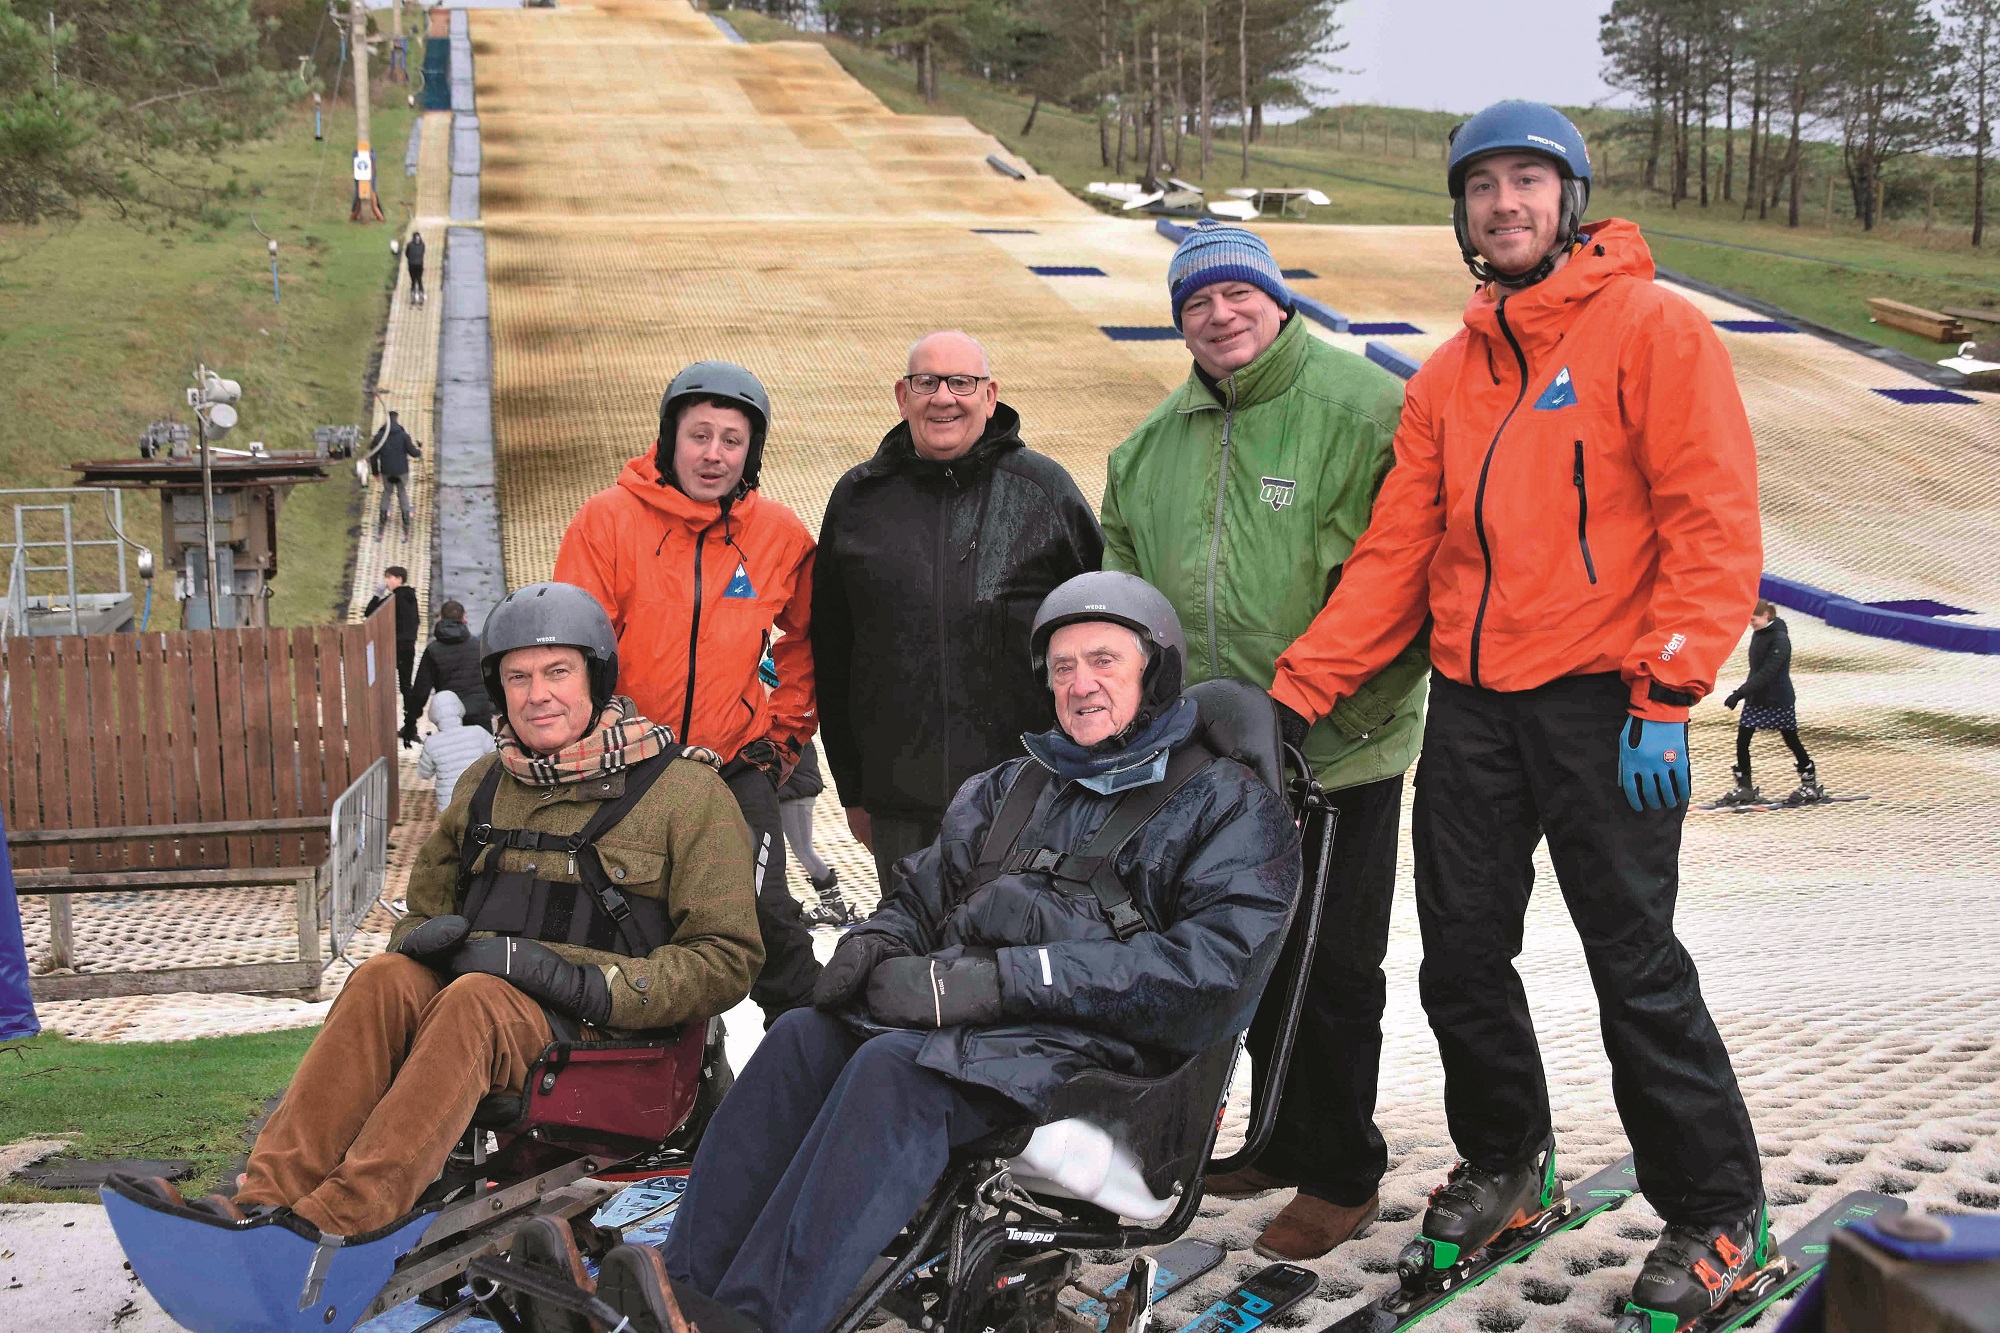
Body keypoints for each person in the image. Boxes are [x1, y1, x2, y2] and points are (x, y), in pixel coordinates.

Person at [1265, 102, 1766, 1333]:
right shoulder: (1450, 373)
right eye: (1480, 184)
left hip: (1608, 706)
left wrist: (1669, 688)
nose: (1502, 202)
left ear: (1569, 198)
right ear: (1460, 214)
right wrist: (1294, 691)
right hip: (1479, 708)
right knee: (1458, 957)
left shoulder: (1652, 331)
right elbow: (1395, 557)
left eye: (1526, 181)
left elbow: (1710, 521)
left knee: (1632, 967)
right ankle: (1506, 1156)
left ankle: (1715, 1209)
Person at [523, 572, 1297, 1333]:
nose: (1080, 683)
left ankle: (759, 1319)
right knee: (802, 1037)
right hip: (983, 1039)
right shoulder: (1015, 786)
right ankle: (679, 1296)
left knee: (895, 1075)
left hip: (1109, 1069)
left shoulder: (1229, 806)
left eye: (1104, 661)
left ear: (1155, 672)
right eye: (1063, 666)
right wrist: (876, 947)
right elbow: (923, 894)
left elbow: (1213, 975)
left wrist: (1008, 979)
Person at [142, 582, 763, 1237]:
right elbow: (422, 912)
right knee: (384, 978)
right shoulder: (485, 784)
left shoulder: (685, 793)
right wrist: (425, 941)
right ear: (498, 690)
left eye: (558, 672)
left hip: (614, 1041)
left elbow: (727, 960)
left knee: (476, 1002)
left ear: (595, 678)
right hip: (487, 1013)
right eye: (518, 677)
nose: (538, 694)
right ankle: (263, 1198)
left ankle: (341, 1221)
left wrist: (579, 980)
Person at [1100, 220, 1428, 1260]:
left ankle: (1342, 1172)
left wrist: (1315, 712)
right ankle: (1281, 1132)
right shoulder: (1149, 447)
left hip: (1336, 749)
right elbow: (1124, 605)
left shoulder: (1364, 409)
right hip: (1212, 764)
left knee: (1333, 964)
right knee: (1247, 957)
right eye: (1195, 302)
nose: (1218, 313)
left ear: (1275, 300)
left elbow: (1404, 577)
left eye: (1237, 293)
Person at [554, 361, 822, 1027]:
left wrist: (783, 734)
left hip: (733, 765)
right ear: (670, 438)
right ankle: (668, 1083)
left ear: (751, 452)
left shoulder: (777, 535)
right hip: (628, 768)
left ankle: (817, 1061)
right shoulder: (608, 521)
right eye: (699, 434)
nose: (713, 454)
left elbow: (808, 638)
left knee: (764, 917)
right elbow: (572, 645)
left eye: (731, 440)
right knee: (634, 924)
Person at [812, 330, 1102, 898]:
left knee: (1013, 966)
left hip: (1027, 797)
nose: (943, 397)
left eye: (961, 382)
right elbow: (833, 651)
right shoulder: (859, 499)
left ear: (990, 396)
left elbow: (1105, 631)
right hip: (900, 807)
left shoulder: (1043, 492)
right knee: (910, 963)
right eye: (926, 382)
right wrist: (854, 791)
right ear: (902, 395)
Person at [1717, 600, 1821, 806]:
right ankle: (1745, 787)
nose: (1750, 624)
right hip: (1757, 698)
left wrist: (1739, 693)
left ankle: (1809, 783)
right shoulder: (1760, 634)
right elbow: (1756, 671)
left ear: (1766, 615)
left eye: (1753, 619)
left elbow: (1767, 673)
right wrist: (1746, 693)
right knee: (1742, 740)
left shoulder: (1780, 639)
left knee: (1791, 739)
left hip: (1777, 699)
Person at [782, 740, 857, 927]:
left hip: (796, 791)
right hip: (791, 789)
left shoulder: (790, 726)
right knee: (792, 849)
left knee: (803, 849)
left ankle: (834, 905)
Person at [405, 598, 493, 743]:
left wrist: (410, 722)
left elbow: (421, 691)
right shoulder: (479, 646)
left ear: (440, 618)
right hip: (480, 714)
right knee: (485, 761)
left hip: (450, 717)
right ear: (464, 618)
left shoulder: (433, 650)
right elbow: (494, 679)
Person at [417, 689, 494, 811]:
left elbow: (424, 773)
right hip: (479, 798)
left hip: (449, 806)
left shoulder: (431, 743)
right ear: (459, 708)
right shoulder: (478, 732)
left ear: (433, 716)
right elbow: (497, 755)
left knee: (453, 829)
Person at [364, 565, 421, 703]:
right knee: (405, 684)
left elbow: (369, 613)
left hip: (393, 646)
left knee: (382, 680)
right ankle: (410, 718)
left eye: (389, 577)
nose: (386, 581)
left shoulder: (394, 599)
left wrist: (377, 594)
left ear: (399, 579)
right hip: (408, 645)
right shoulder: (411, 598)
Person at [366, 410, 423, 539]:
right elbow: (413, 453)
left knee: (387, 492)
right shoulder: (403, 436)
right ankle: (406, 518)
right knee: (402, 492)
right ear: (397, 420)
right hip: (402, 472)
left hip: (386, 472)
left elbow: (373, 456)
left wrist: (375, 472)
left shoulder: (379, 437)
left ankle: (382, 517)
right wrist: (420, 451)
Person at [406, 230, 426, 306]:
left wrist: (411, 259)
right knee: (419, 280)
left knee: (413, 281)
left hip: (411, 264)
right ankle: (421, 296)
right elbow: (423, 253)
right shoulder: (422, 245)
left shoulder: (409, 245)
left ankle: (413, 297)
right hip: (419, 264)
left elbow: (407, 254)